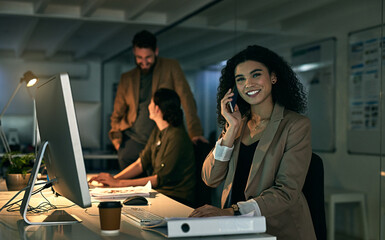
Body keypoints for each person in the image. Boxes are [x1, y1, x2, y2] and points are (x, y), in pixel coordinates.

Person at [189, 45, 316, 239]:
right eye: (240, 79)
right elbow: (210, 178)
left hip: (275, 229)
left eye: (256, 75)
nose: (248, 84)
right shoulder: (236, 123)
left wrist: (232, 211)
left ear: (273, 77)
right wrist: (231, 130)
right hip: (235, 228)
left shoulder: (296, 125)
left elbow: (286, 192)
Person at [110, 30, 206, 169]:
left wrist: (195, 132)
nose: (143, 62)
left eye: (148, 57)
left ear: (156, 51)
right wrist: (117, 141)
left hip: (163, 138)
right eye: (139, 57)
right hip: (133, 140)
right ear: (134, 53)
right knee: (127, 188)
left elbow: (187, 99)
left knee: (159, 185)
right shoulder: (127, 78)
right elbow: (117, 113)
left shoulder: (171, 67)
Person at [91, 88, 196, 206]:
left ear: (157, 108)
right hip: (162, 193)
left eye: (151, 103)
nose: (148, 106)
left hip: (176, 198)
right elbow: (140, 163)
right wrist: (113, 179)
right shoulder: (158, 130)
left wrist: (118, 183)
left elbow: (158, 179)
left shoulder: (177, 137)